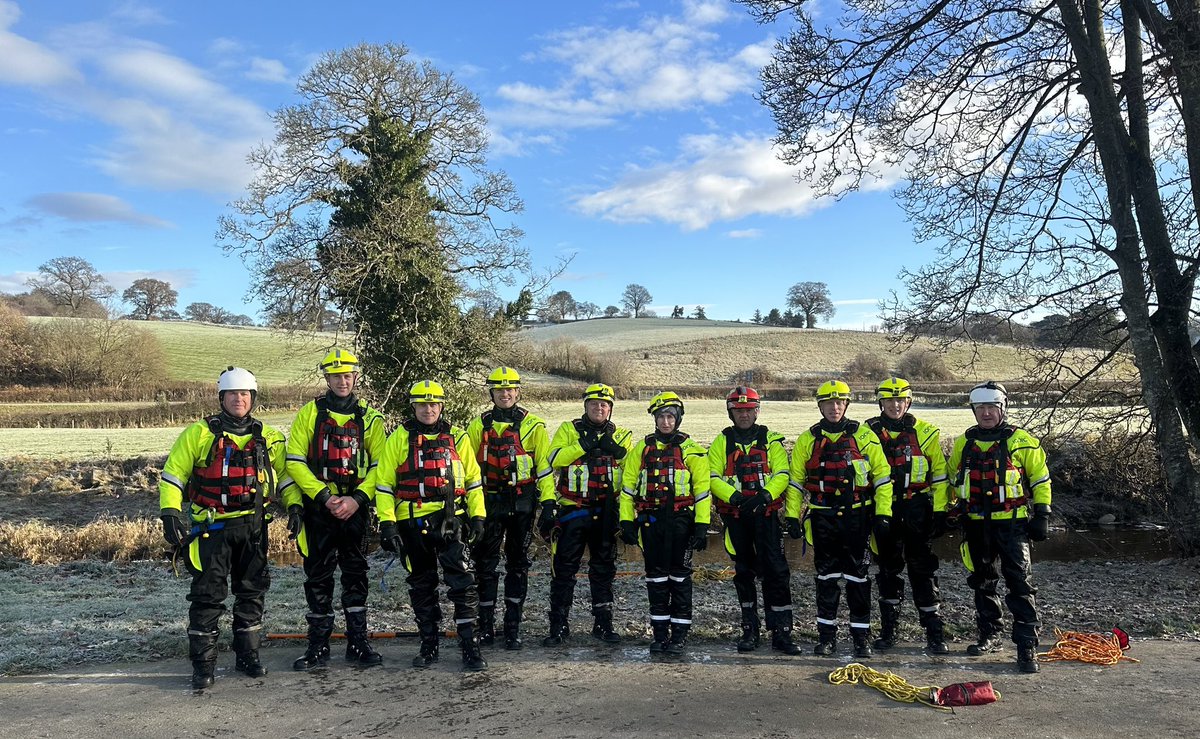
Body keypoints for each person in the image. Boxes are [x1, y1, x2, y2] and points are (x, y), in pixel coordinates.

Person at [159, 366, 290, 690]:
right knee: (207, 597)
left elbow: (286, 477)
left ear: (253, 398)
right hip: (211, 529)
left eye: (245, 394)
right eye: (233, 394)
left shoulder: (268, 437)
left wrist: (296, 506)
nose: (239, 399)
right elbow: (174, 475)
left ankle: (248, 657)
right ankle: (203, 666)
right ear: (222, 397)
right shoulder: (199, 434)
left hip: (254, 527)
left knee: (252, 593)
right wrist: (170, 513)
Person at [373, 380, 488, 671]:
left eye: (434, 403)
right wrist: (387, 524)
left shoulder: (458, 437)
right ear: (413, 406)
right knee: (421, 584)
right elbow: (384, 484)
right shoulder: (399, 438)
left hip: (452, 520)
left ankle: (470, 647)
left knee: (463, 584)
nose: (428, 409)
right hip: (412, 521)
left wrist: (478, 517)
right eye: (422, 404)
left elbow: (474, 482)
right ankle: (428, 644)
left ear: (442, 406)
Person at [283, 349, 387, 670]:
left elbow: (380, 465)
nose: (342, 381)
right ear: (326, 378)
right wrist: (324, 496)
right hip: (320, 507)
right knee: (318, 576)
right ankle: (318, 646)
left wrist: (357, 499)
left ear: (356, 377)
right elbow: (295, 461)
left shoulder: (370, 418)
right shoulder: (309, 414)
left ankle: (358, 643)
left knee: (356, 574)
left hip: (355, 507)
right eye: (336, 375)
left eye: (347, 375)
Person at [948, 380, 1052, 674]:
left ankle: (1026, 645)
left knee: (1020, 584)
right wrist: (946, 511)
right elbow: (952, 478)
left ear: (1002, 408)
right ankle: (990, 634)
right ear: (973, 410)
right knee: (982, 582)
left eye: (991, 407)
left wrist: (1043, 513)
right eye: (980, 408)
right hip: (976, 524)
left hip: (1012, 525)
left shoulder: (1021, 441)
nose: (986, 413)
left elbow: (1040, 479)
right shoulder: (964, 443)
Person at [787, 380, 893, 659]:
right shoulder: (807, 439)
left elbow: (882, 478)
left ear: (846, 405)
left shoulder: (864, 436)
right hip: (822, 517)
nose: (834, 408)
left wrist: (883, 514)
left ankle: (861, 639)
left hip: (858, 515)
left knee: (859, 579)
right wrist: (792, 517)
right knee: (826, 578)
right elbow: (796, 482)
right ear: (819, 405)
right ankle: (826, 638)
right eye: (828, 403)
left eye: (839, 403)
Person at [465, 367, 555, 650]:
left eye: (510, 389)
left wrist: (549, 504)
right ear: (491, 393)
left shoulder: (534, 426)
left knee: (518, 565)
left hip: (522, 503)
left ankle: (513, 627)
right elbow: (468, 470)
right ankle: (486, 625)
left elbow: (544, 468)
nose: (505, 394)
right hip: (489, 502)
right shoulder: (477, 426)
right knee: (485, 565)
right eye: (499, 390)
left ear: (517, 392)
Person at [708, 386, 800, 655]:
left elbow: (782, 472)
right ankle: (750, 629)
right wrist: (734, 497)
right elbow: (712, 477)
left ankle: (781, 632)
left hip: (767, 516)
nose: (744, 415)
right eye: (739, 410)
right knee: (744, 572)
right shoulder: (720, 443)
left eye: (749, 410)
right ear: (730, 412)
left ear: (757, 411)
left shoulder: (771, 440)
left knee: (777, 572)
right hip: (736, 518)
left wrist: (764, 496)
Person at [541, 383, 634, 647]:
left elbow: (630, 469)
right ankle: (558, 625)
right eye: (594, 403)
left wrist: (615, 450)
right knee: (563, 570)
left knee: (604, 569)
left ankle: (603, 624)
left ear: (611, 408)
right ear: (585, 406)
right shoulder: (569, 430)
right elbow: (556, 459)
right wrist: (585, 444)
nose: (599, 408)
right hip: (573, 509)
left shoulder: (623, 434)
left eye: (604, 404)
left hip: (606, 512)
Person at [619, 392, 711, 656]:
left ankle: (679, 635)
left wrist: (702, 525)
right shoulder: (642, 448)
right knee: (656, 579)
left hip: (682, 522)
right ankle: (660, 634)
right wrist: (626, 520)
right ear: (655, 419)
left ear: (678, 418)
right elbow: (627, 488)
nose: (666, 422)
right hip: (651, 522)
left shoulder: (691, 449)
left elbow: (703, 490)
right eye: (661, 417)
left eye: (671, 416)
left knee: (680, 579)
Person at [863, 377, 950, 654]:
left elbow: (940, 475)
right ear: (881, 403)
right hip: (883, 510)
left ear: (908, 402)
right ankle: (889, 632)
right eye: (890, 400)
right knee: (887, 571)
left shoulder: (925, 433)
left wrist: (939, 511)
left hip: (917, 508)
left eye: (900, 400)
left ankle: (934, 634)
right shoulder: (867, 434)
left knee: (923, 570)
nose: (895, 405)